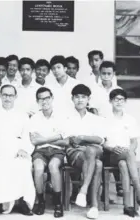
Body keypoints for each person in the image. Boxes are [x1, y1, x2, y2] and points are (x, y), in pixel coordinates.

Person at [0, 84, 35, 216]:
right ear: (0, 96)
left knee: (22, 165)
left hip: (17, 148)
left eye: (10, 95)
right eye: (5, 95)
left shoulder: (22, 115)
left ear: (15, 97)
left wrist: (24, 149)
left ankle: (23, 202)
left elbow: (27, 136)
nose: (7, 98)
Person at [65, 84, 106, 219]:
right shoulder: (66, 117)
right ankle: (94, 205)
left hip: (90, 151)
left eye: (83, 97)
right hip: (75, 154)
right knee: (98, 164)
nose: (80, 100)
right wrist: (88, 142)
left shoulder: (95, 118)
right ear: (72, 99)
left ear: (89, 99)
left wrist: (82, 138)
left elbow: (100, 139)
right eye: (77, 97)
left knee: (91, 151)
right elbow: (68, 139)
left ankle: (83, 190)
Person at [30, 87, 67, 218]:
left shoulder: (61, 116)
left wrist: (44, 139)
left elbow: (65, 139)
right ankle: (40, 201)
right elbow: (34, 140)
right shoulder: (34, 118)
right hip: (40, 151)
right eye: (41, 98)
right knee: (38, 168)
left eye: (47, 98)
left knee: (53, 166)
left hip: (57, 151)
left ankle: (58, 203)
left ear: (52, 98)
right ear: (37, 101)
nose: (44, 101)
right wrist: (54, 137)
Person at [103, 89, 140, 217]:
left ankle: (127, 206)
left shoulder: (130, 119)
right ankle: (138, 189)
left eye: (121, 99)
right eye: (116, 99)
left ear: (125, 102)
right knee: (129, 156)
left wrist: (129, 150)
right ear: (110, 101)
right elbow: (102, 142)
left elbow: (134, 142)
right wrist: (112, 148)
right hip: (110, 154)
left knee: (124, 165)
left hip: (125, 155)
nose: (119, 102)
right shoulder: (105, 119)